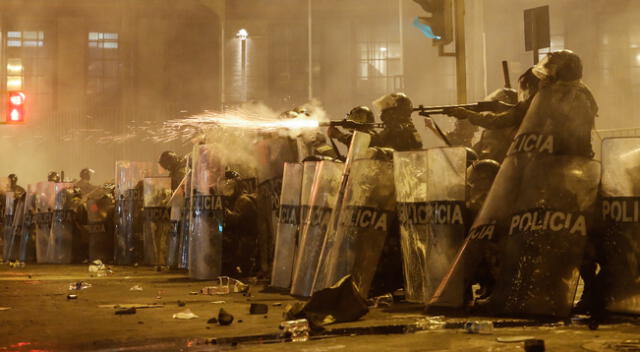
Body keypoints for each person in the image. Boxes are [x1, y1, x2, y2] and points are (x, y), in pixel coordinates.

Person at [221, 170, 259, 277]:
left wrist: (224, 212)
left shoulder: (243, 200)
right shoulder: (238, 199)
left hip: (245, 242)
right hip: (244, 240)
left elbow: (235, 220)